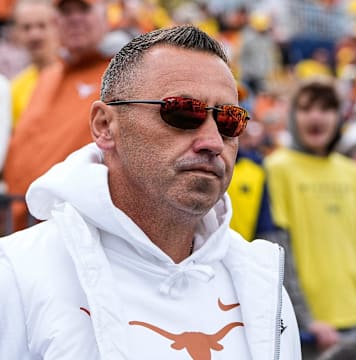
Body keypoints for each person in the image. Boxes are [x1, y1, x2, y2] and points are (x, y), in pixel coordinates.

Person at [0, 25, 301, 360]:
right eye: (183, 112)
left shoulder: (262, 284)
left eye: (229, 121)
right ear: (105, 126)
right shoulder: (17, 273)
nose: (213, 142)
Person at [265, 78, 356, 359]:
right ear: (294, 116)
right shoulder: (276, 168)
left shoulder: (351, 172)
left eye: (325, 108)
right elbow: (276, 250)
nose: (316, 117)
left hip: (354, 316)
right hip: (311, 328)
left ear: (337, 116)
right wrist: (304, 318)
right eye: (306, 109)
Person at [3, 0, 111, 231]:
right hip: (23, 227)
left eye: (84, 9)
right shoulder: (47, 77)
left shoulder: (120, 74)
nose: (74, 18)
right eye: (65, 11)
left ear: (105, 15)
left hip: (81, 228)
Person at [11, 0, 59, 126]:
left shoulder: (75, 76)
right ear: (16, 34)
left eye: (42, 26)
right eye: (26, 28)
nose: (34, 35)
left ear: (57, 26)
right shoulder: (16, 88)